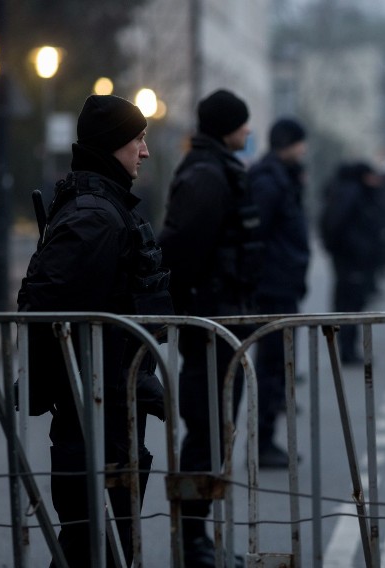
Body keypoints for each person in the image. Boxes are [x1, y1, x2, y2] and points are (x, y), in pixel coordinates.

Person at [17, 94, 172, 567]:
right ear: (111, 145)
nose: (144, 152)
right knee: (91, 545)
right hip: (93, 410)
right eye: (137, 139)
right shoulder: (95, 218)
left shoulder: (103, 210)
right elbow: (45, 309)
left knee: (94, 545)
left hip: (107, 404)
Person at [158, 88, 259, 568]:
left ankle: (198, 539)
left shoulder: (213, 169)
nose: (248, 130)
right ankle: (192, 541)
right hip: (209, 320)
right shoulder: (207, 174)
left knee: (215, 429)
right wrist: (195, 305)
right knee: (207, 430)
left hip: (217, 318)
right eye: (242, 123)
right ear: (226, 127)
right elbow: (183, 249)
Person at [247, 117, 310, 468]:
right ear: (289, 143)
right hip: (273, 286)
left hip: (281, 283)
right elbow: (259, 236)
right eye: (300, 143)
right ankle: (263, 442)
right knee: (270, 366)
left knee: (275, 365)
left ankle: (266, 440)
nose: (304, 150)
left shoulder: (280, 177)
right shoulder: (270, 181)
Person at [319, 161, 385, 363]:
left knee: (351, 304)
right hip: (351, 261)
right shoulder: (351, 194)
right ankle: (347, 351)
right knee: (350, 305)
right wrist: (355, 249)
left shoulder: (349, 192)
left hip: (352, 259)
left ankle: (348, 348)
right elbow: (336, 226)